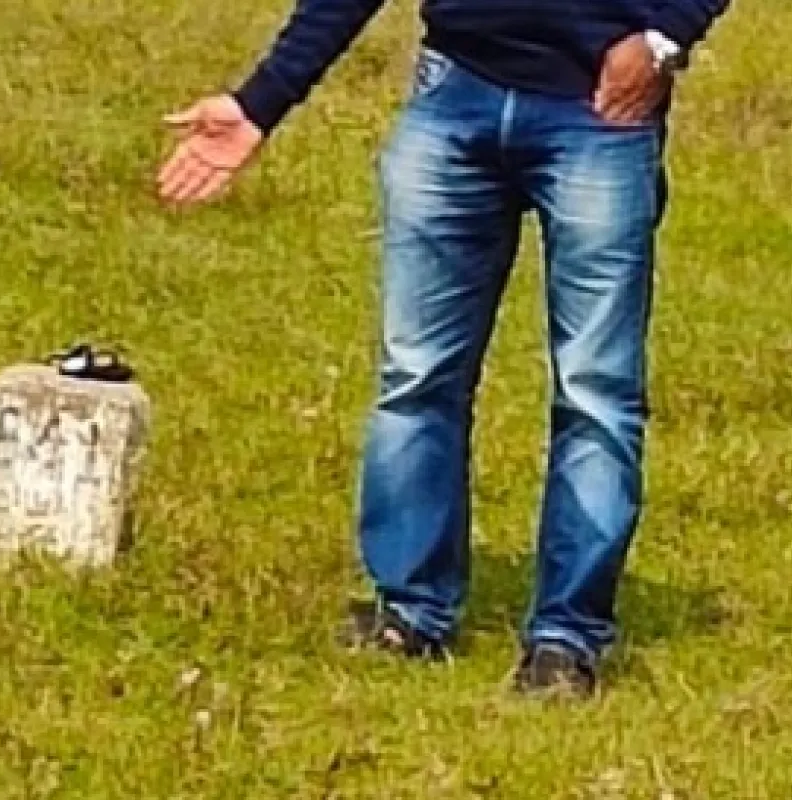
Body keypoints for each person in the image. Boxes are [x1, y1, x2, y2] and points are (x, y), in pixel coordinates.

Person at [157, 0, 730, 697]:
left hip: (600, 115)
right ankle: (410, 612)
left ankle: (565, 642)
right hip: (454, 95)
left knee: (595, 394)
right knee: (416, 376)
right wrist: (260, 103)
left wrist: (663, 40)